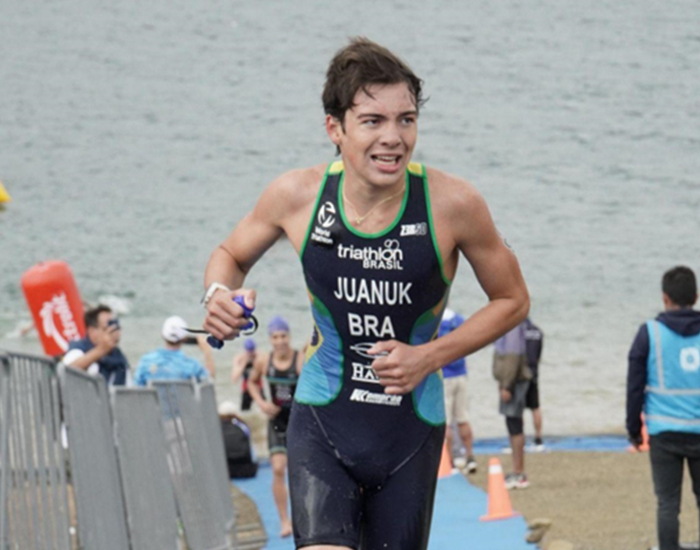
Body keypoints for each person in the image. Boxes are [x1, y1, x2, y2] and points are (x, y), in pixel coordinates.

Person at [201, 37, 529, 550]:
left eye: (406, 120)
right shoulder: (297, 196)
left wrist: (429, 357)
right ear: (335, 128)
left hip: (409, 430)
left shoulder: (453, 204)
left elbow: (512, 300)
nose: (393, 138)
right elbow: (231, 255)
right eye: (373, 121)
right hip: (323, 417)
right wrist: (218, 295)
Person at [627, 266, 700, 550]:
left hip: (663, 432)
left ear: (665, 298)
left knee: (668, 503)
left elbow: (634, 388)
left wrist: (634, 430)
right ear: (696, 297)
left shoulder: (649, 333)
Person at [246, 316, 303, 538]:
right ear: (270, 339)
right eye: (275, 337)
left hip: (299, 422)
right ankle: (284, 521)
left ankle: (303, 519)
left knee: (301, 472)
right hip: (277, 422)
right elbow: (251, 382)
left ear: (289, 336)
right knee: (278, 469)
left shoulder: (299, 360)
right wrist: (261, 403)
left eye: (283, 336)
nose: (280, 341)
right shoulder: (264, 360)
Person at [493, 320, 532, 489]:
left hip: (514, 383)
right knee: (512, 425)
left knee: (515, 425)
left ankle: (519, 472)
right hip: (510, 381)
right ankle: (517, 470)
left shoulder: (513, 326)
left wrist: (507, 385)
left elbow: (512, 357)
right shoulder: (509, 324)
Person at [439, 308, 477, 473]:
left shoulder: (437, 321)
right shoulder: (458, 319)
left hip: (445, 375)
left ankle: (451, 462)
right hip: (461, 374)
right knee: (463, 419)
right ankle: (470, 456)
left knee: (446, 423)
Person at [133, 316, 215, 386]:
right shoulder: (191, 366)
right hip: (182, 401)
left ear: (162, 334)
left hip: (154, 401)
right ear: (185, 338)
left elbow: (137, 389)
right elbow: (209, 382)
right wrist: (207, 352)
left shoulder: (146, 361)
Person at [63, 305, 130, 386]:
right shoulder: (78, 349)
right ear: (92, 331)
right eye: (106, 328)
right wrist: (102, 349)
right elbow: (67, 372)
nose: (113, 333)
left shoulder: (119, 358)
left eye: (115, 328)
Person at [218, 400, 258, 479]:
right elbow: (251, 449)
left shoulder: (216, 426)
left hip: (225, 470)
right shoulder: (242, 425)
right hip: (247, 470)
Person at [524, 317, 545, 451]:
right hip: (533, 373)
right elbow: (538, 356)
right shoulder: (538, 331)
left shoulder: (519, 331)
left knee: (517, 409)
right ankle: (538, 437)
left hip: (520, 374)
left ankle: (519, 437)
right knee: (535, 407)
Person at [230, 338, 262, 411]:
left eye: (252, 350)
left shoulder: (259, 356)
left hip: (258, 388)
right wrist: (244, 363)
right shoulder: (239, 359)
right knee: (245, 412)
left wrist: (256, 361)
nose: (251, 353)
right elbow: (234, 378)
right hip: (246, 389)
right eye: (249, 351)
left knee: (264, 411)